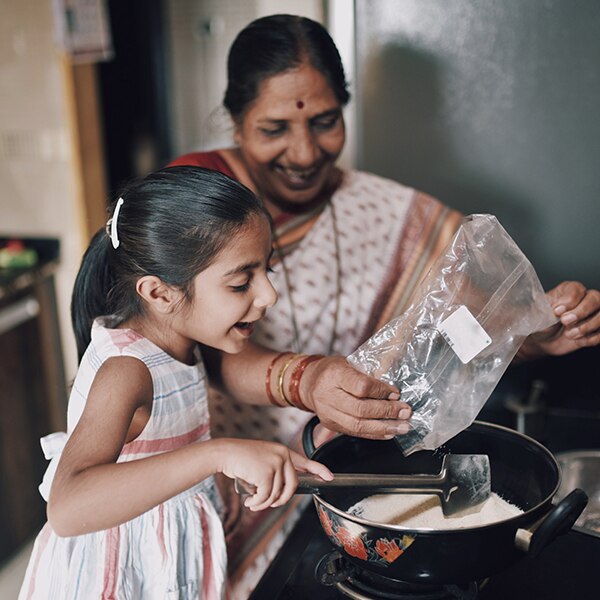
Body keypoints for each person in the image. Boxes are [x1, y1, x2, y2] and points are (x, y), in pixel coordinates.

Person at [168, 13, 600, 596]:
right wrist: (309, 379)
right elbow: (191, 351)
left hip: (349, 481)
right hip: (230, 475)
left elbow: (450, 332)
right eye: (274, 128)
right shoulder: (195, 194)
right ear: (235, 121)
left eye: (325, 122)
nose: (303, 152)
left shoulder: (380, 210)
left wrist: (530, 333)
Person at [18, 165, 338, 599]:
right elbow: (68, 507)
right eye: (242, 282)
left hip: (166, 561)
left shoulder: (182, 344)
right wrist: (218, 455)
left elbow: (163, 453)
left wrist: (218, 480)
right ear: (160, 293)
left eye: (268, 271)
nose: (268, 296)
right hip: (117, 577)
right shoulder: (127, 369)